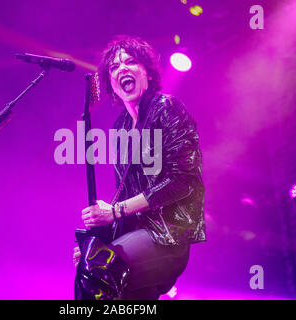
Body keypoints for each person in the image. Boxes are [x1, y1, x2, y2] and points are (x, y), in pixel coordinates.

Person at [73, 35, 205, 300]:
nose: (122, 68)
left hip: (167, 235)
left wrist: (115, 215)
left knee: (97, 270)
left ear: (147, 73)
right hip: (135, 233)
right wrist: (100, 240)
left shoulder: (166, 108)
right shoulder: (121, 127)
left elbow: (183, 181)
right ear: (111, 82)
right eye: (114, 67)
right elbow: (125, 194)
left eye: (131, 62)